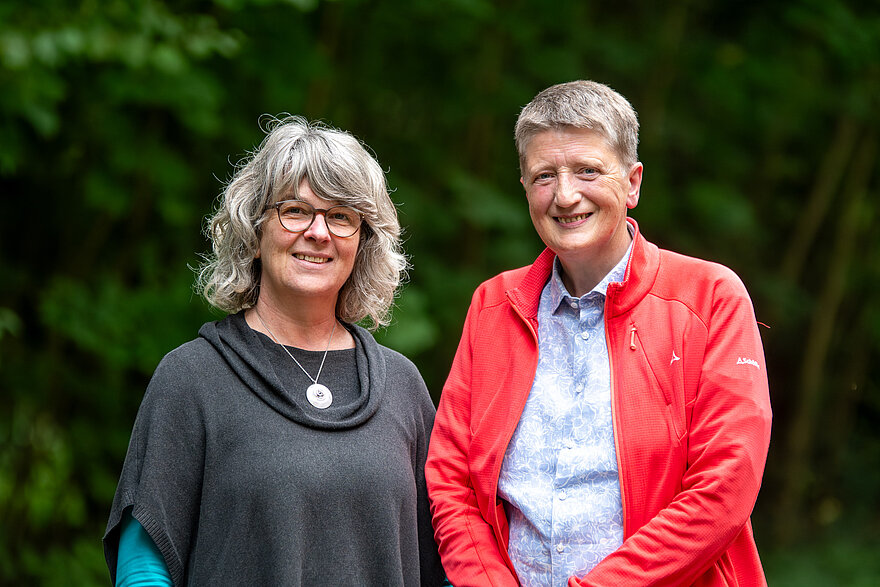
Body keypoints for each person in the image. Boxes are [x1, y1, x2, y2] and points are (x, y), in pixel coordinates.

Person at [425, 81, 772, 586]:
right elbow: (451, 478)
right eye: (545, 176)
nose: (565, 196)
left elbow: (725, 485)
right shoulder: (493, 307)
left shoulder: (710, 298)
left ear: (632, 183)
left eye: (587, 170)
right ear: (525, 188)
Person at [103, 115, 445, 586]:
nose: (319, 232)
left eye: (341, 216)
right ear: (254, 232)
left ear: (363, 243)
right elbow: (145, 565)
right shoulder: (193, 378)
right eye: (296, 210)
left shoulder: (402, 387)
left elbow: (449, 559)